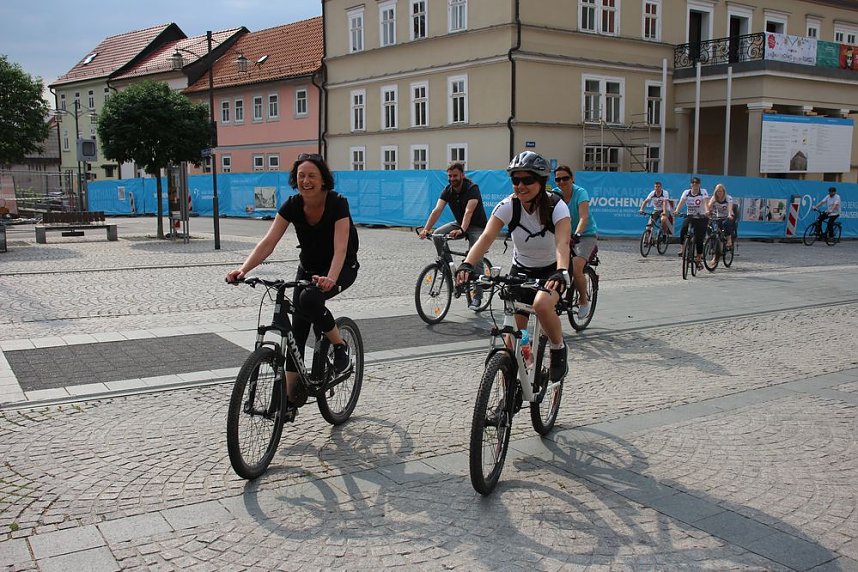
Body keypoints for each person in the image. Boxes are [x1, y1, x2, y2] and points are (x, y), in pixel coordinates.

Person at [225, 153, 359, 409]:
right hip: (308, 268)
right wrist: (242, 270)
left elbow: (340, 247)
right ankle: (289, 400)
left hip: (341, 268)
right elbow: (268, 242)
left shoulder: (337, 203)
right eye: (301, 176)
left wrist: (331, 278)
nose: (305, 180)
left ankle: (339, 346)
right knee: (295, 332)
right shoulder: (292, 205)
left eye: (311, 176)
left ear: (322, 180)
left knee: (309, 300)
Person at [456, 151, 571, 382]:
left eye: (527, 180)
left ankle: (558, 348)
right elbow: (486, 237)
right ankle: (513, 386)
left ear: (540, 182)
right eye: (515, 180)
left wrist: (561, 271)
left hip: (552, 270)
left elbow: (563, 242)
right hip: (521, 270)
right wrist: (467, 264)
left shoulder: (556, 207)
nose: (520, 185)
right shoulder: (508, 205)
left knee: (540, 305)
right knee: (515, 340)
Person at [418, 162, 488, 309]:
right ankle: (447, 268)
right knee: (437, 235)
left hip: (476, 226)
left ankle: (478, 296)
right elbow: (437, 210)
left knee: (475, 258)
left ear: (462, 175)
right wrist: (426, 229)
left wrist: (462, 230)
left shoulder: (472, 188)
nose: (452, 179)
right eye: (449, 176)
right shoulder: (448, 190)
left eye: (455, 175)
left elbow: (469, 211)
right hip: (459, 222)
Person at [553, 165, 597, 320]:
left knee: (577, 267)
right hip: (564, 233)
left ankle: (583, 301)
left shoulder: (580, 193)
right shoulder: (555, 194)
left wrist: (577, 233)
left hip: (585, 234)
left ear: (572, 179)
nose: (562, 182)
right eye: (558, 179)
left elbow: (584, 217)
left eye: (565, 178)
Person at [674, 176, 709, 265]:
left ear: (699, 184)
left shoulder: (703, 192)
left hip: (701, 217)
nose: (695, 185)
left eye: (696, 183)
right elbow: (681, 202)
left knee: (699, 239)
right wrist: (677, 210)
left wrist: (707, 211)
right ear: (691, 184)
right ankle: (682, 249)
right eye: (693, 183)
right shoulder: (686, 192)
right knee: (683, 229)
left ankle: (699, 258)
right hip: (690, 216)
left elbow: (705, 202)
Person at [707, 183, 735, 249]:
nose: (719, 193)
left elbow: (730, 208)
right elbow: (709, 208)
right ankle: (712, 241)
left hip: (728, 216)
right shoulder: (714, 198)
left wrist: (729, 214)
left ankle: (729, 239)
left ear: (724, 191)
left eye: (721, 191)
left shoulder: (728, 198)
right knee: (710, 226)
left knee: (725, 224)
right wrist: (710, 207)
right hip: (718, 217)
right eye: (718, 191)